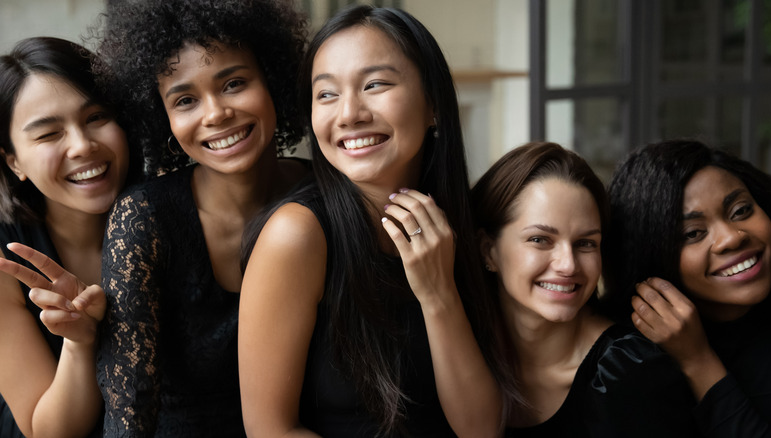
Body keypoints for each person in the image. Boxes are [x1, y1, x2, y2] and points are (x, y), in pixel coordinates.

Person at [238, 5, 511, 437]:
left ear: (433, 105)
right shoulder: (297, 236)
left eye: (375, 84)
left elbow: (480, 429)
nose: (349, 113)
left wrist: (439, 294)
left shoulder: (456, 223)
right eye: (326, 93)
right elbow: (270, 431)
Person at [92, 0, 308, 435]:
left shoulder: (325, 194)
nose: (215, 114)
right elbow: (130, 410)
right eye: (186, 99)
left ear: (274, 81)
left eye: (234, 83)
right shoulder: (144, 219)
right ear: (162, 117)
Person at [471, 142, 698, 437]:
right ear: (489, 251)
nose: (568, 265)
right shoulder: (464, 354)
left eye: (586, 243)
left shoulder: (629, 370)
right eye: (540, 239)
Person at [0, 36, 135, 438]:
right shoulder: (6, 261)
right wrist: (78, 342)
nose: (82, 146)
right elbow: (49, 431)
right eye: (47, 134)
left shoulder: (168, 213)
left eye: (96, 117)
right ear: (14, 162)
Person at [604, 138, 771, 437]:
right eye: (694, 233)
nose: (731, 238)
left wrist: (698, 360)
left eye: (740, 210)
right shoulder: (622, 361)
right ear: (652, 257)